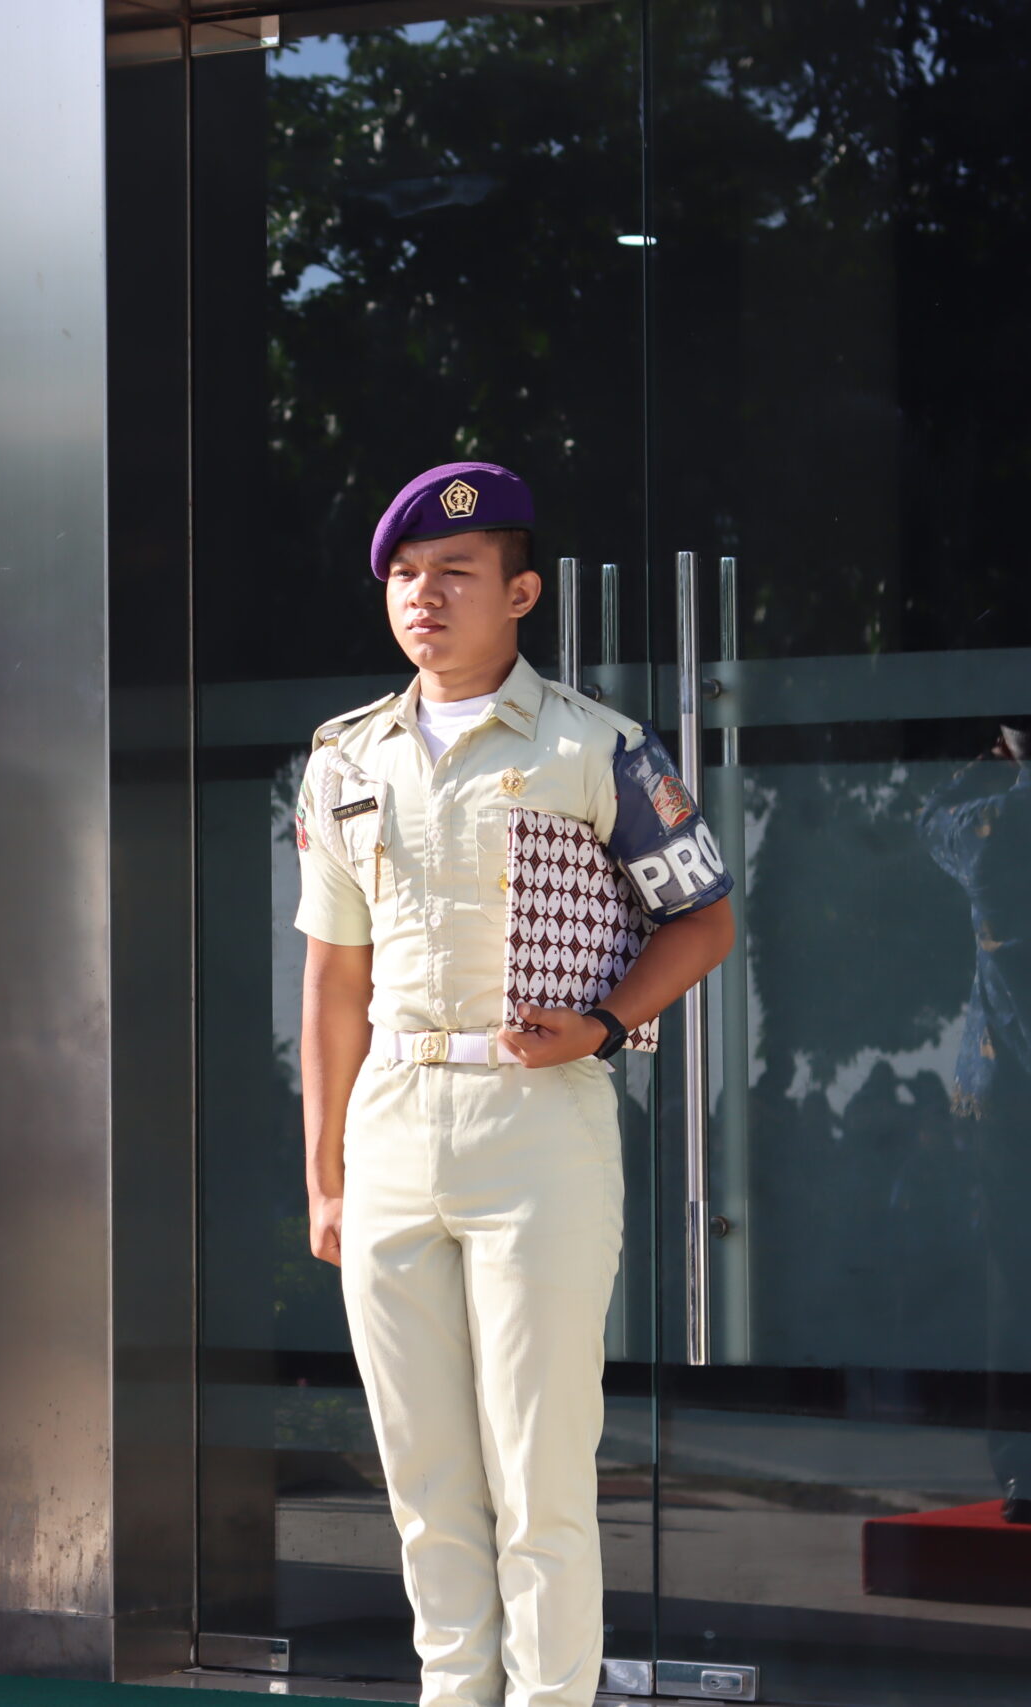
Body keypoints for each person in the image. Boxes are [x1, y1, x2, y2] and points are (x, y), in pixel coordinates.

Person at [295, 464, 736, 1707]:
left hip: (536, 1125)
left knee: (538, 1474)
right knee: (423, 1478)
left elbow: (702, 919)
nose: (422, 597)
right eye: (403, 576)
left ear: (521, 594)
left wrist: (602, 1025)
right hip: (392, 1125)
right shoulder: (344, 758)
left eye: (454, 573)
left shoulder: (597, 748)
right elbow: (332, 980)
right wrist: (324, 1177)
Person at [919, 716, 1031, 1523]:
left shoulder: (988, 826)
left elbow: (928, 817)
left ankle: (1023, 1468)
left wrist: (983, 764)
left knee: (1015, 1283)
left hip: (1005, 1084)